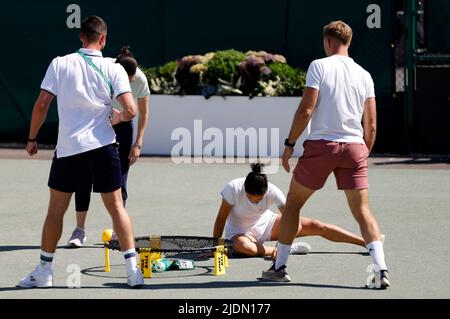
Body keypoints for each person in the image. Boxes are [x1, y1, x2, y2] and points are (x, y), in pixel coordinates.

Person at [261, 21, 390, 289]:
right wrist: (363, 152)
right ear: (348, 42)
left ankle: (279, 266)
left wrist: (289, 144)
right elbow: (372, 124)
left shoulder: (319, 66)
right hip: (355, 148)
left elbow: (306, 109)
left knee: (294, 204)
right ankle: (381, 270)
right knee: (362, 211)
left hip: (322, 147)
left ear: (328, 42)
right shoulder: (365, 74)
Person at [19, 16, 144, 288]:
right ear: (103, 39)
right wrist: (117, 118)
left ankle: (44, 272)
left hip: (69, 150)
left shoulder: (59, 63)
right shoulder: (115, 68)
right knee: (116, 207)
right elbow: (131, 111)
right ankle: (134, 272)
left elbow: (42, 104)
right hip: (104, 148)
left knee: (56, 210)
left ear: (80, 37)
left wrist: (32, 137)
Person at [66, 46, 150, 248]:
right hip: (95, 123)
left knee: (120, 180)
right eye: (125, 80)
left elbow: (142, 113)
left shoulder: (140, 79)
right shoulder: (103, 68)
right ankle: (79, 230)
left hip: (123, 128)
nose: (128, 83)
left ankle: (116, 232)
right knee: (84, 176)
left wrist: (137, 143)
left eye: (131, 80)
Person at [213, 163, 367, 258]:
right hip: (240, 234)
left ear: (266, 191)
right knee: (242, 247)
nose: (255, 201)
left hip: (268, 225)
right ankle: (282, 250)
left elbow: (291, 220)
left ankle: (368, 242)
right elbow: (221, 218)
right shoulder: (233, 188)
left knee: (317, 226)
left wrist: (285, 237)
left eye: (259, 199)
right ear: (244, 189)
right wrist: (216, 246)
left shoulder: (273, 191)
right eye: (250, 198)